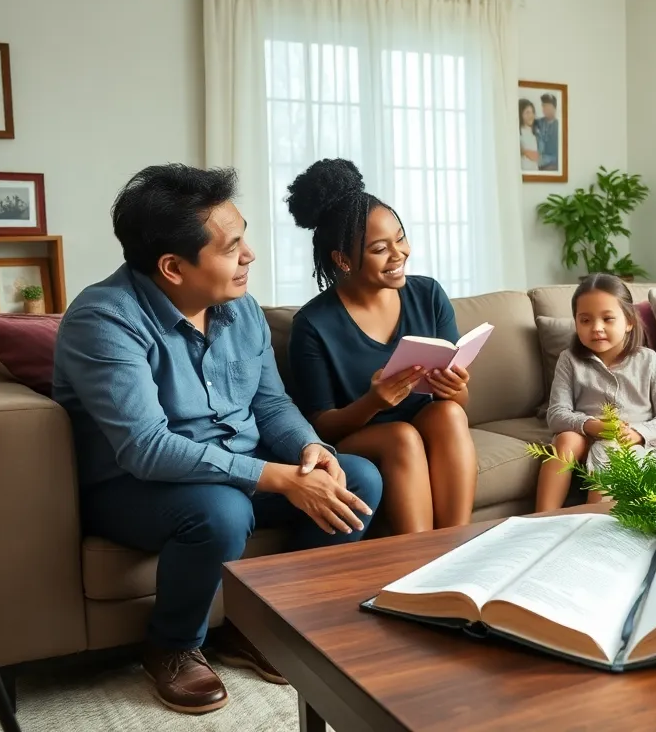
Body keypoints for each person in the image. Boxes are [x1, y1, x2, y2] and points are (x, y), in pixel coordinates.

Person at [52, 165, 382, 715]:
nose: (249, 254)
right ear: (173, 267)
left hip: (235, 468)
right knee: (221, 512)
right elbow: (146, 449)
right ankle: (172, 646)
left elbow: (269, 403)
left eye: (244, 236)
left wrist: (309, 449)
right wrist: (275, 477)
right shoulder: (104, 319)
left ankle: (268, 628)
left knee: (360, 477)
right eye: (232, 247)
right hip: (134, 485)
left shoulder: (241, 309)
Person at [287, 158, 478, 535]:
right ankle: (419, 561)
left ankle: (457, 548)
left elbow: (458, 403)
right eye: (379, 249)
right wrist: (374, 401)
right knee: (400, 437)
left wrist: (457, 390)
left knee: (449, 416)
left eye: (400, 238)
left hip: (425, 420)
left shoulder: (428, 294)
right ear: (343, 259)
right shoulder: (312, 324)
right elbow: (320, 424)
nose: (399, 254)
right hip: (362, 435)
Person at [537, 274, 656, 511]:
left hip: (630, 442)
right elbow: (556, 415)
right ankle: (541, 517)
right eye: (585, 320)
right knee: (566, 439)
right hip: (586, 438)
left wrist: (638, 432)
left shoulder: (649, 361)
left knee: (614, 454)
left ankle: (596, 519)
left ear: (628, 322)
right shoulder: (569, 360)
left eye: (607, 319)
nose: (596, 328)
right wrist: (591, 425)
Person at [535, 93, 560, 171]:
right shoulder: (537, 122)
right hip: (537, 162)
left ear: (554, 108)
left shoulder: (559, 125)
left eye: (547, 106)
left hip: (552, 163)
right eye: (543, 106)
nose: (544, 108)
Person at [519, 98, 540, 170]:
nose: (531, 116)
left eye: (532, 112)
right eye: (527, 112)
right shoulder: (517, 133)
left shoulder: (536, 132)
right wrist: (525, 152)